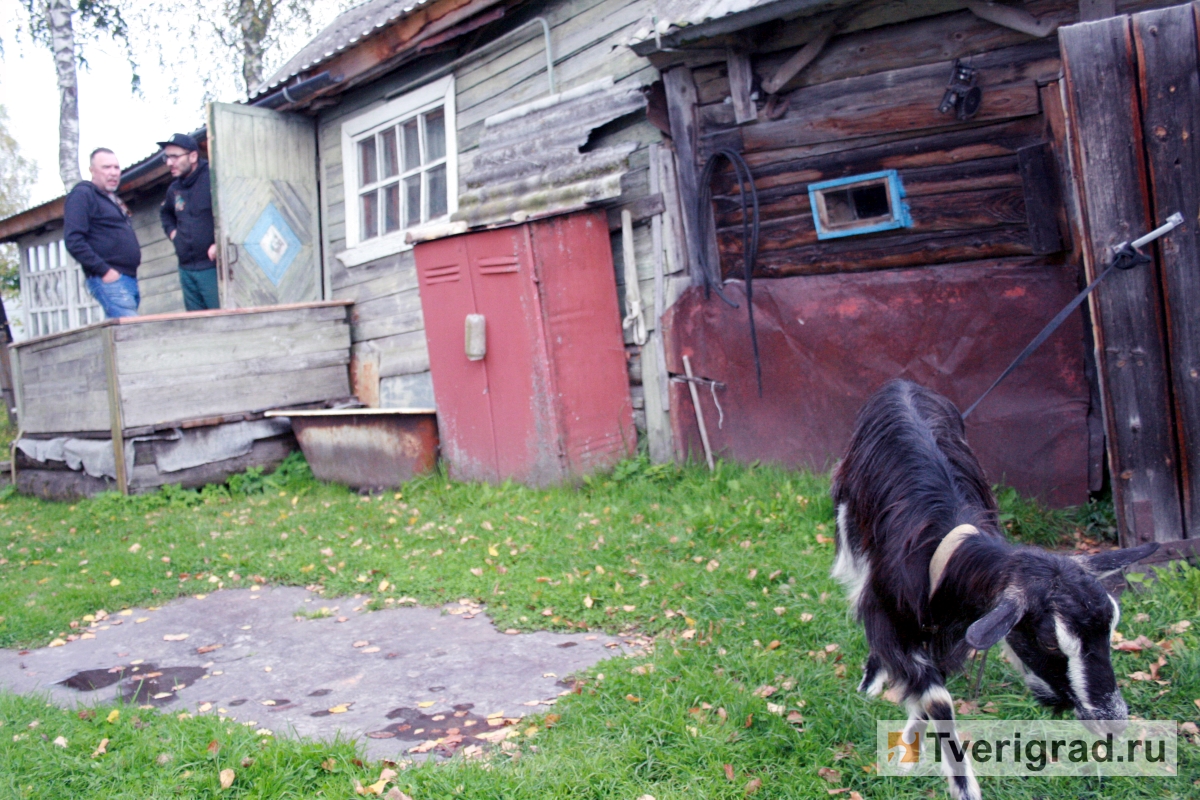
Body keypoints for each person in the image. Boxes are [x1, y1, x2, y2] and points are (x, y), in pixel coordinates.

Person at [64, 148, 141, 318]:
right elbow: (73, 240)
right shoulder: (82, 194)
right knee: (132, 333)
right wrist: (105, 271)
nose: (113, 173)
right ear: (92, 170)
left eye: (116, 167)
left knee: (123, 336)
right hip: (110, 278)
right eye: (106, 167)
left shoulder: (110, 199)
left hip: (128, 278)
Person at [158, 133, 219, 311]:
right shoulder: (174, 189)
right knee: (197, 328)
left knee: (220, 322)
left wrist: (219, 243)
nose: (169, 163)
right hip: (186, 269)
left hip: (212, 267)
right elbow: (165, 214)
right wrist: (174, 235)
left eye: (175, 157)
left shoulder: (213, 178)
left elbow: (233, 211)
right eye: (167, 157)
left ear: (193, 156)